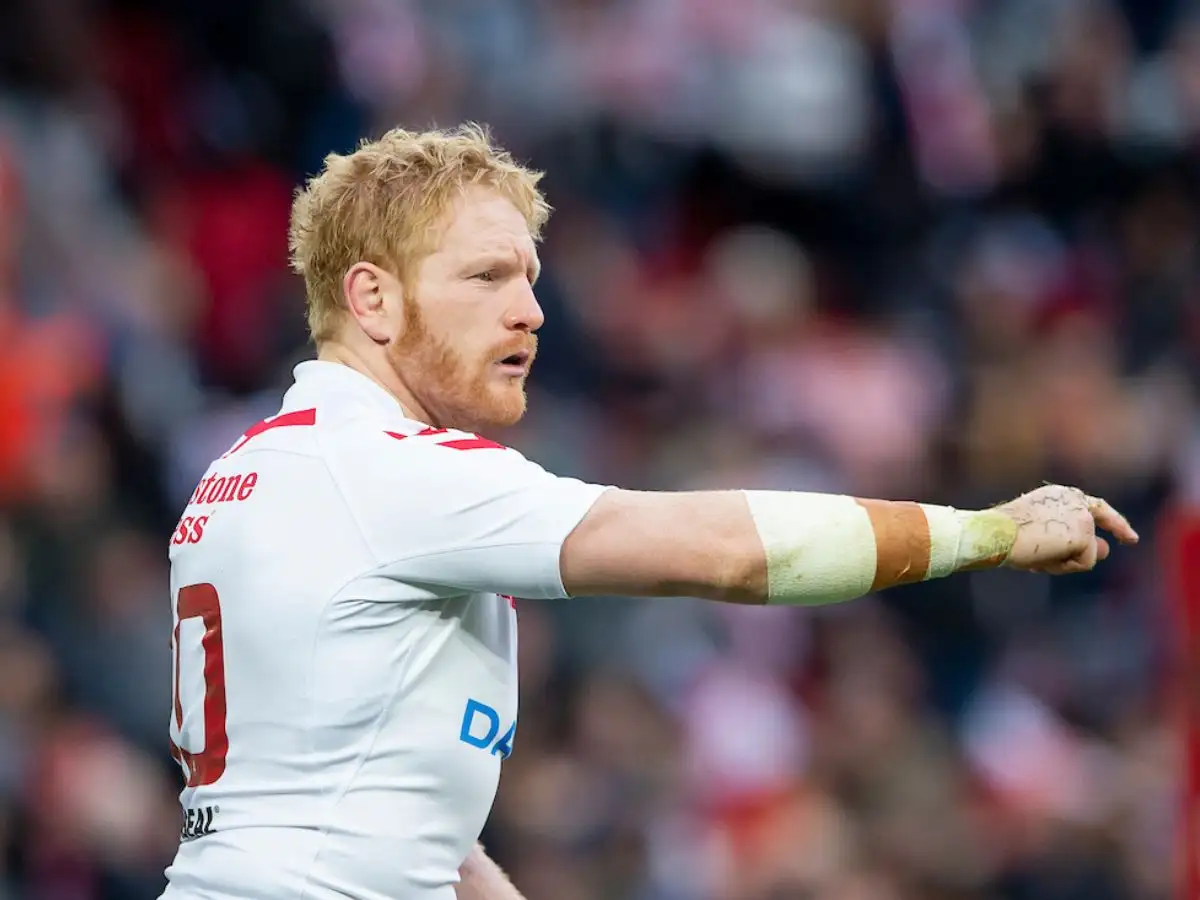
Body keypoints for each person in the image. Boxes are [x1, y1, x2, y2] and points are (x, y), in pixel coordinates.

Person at [161, 124, 1139, 900]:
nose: (530, 311)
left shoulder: (245, 474)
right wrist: (986, 534)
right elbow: (722, 556)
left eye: (531, 279)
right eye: (485, 276)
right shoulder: (392, 472)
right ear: (370, 298)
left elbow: (405, 838)